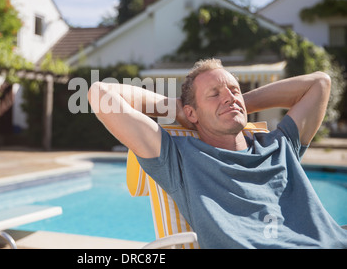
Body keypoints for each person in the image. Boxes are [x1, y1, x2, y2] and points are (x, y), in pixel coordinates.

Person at [87, 58, 347, 248]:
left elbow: (320, 83)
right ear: (191, 113)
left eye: (234, 90)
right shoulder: (179, 159)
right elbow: (100, 94)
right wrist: (178, 109)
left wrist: (234, 103)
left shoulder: (280, 145)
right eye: (214, 93)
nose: (229, 97)